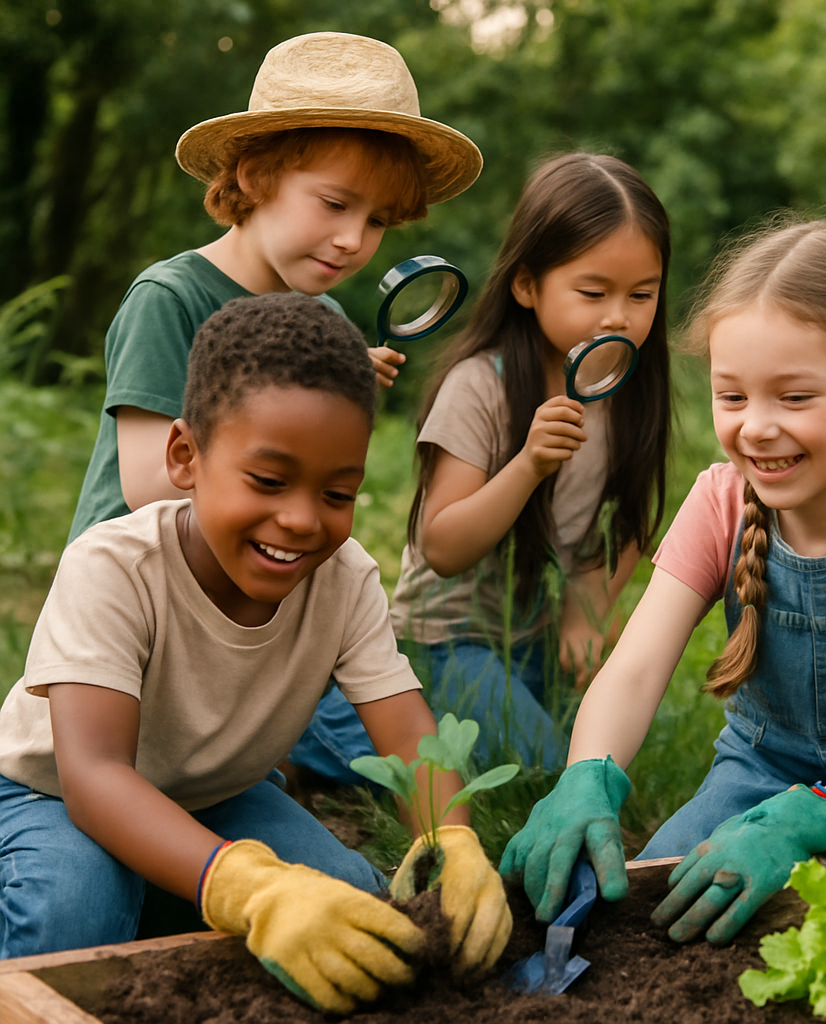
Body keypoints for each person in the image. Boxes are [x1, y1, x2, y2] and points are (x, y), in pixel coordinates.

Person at [501, 218, 826, 945]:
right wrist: (586, 774)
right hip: (761, 767)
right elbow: (637, 669)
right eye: (733, 397)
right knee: (660, 911)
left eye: (795, 398)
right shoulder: (719, 500)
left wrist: (809, 822)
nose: (757, 428)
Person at [0, 294, 510, 1010]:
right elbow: (94, 777)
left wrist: (450, 839)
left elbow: (405, 731)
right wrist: (250, 887)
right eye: (268, 482)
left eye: (338, 492)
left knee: (353, 907)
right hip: (47, 792)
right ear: (186, 456)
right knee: (73, 917)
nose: (301, 520)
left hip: (216, 795)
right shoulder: (114, 567)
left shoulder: (344, 579)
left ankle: (161, 892)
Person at [64, 31, 482, 791]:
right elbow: (148, 485)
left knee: (439, 755)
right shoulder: (171, 298)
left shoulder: (313, 312)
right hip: (147, 612)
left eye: (379, 220)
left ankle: (253, 761)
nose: (355, 239)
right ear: (255, 176)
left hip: (255, 604)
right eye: (334, 203)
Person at [388, 153, 672, 771]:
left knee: (604, 751)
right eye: (593, 292)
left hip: (534, 636)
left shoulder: (627, 391)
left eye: (641, 293)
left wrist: (586, 613)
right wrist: (527, 466)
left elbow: (628, 517)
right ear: (526, 286)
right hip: (444, 639)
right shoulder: (479, 387)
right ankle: (346, 725)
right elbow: (442, 546)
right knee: (547, 773)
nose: (618, 316)